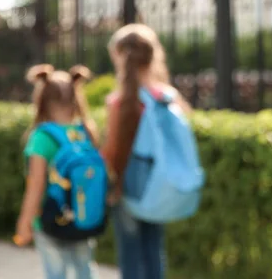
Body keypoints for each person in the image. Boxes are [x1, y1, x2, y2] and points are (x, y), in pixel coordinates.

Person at [100, 23, 192, 279]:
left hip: (127, 189)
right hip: (158, 184)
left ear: (119, 57)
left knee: (130, 254)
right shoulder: (167, 96)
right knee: (153, 250)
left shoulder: (120, 101)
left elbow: (113, 149)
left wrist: (109, 180)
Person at [15, 64, 99, 279]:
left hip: (49, 219)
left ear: (41, 100)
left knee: (56, 274)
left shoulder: (42, 137)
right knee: (84, 270)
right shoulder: (84, 131)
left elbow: (37, 184)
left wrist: (25, 222)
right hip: (83, 215)